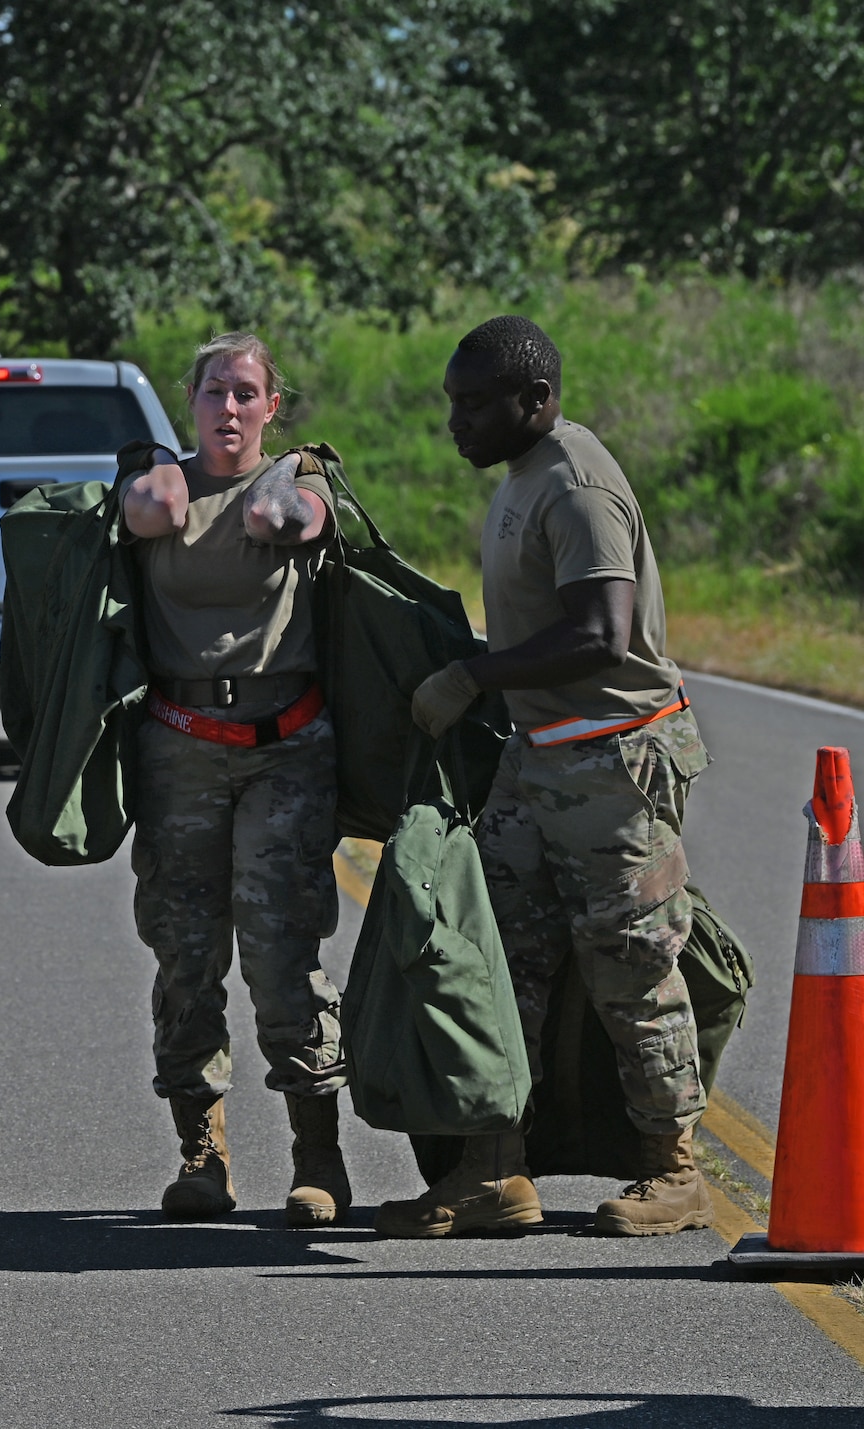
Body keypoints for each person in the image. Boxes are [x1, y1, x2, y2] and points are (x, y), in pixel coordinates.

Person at [384, 314, 712, 1239]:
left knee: (631, 968)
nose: (459, 422)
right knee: (495, 965)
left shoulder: (576, 484)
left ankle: (675, 1171)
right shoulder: (524, 475)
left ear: (536, 399)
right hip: (541, 762)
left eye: (477, 404)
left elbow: (601, 631)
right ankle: (494, 1169)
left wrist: (475, 674)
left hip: (613, 761)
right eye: (455, 402)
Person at [117, 331, 349, 1226]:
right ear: (193, 400)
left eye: (247, 394)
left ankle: (317, 1152)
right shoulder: (160, 481)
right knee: (185, 952)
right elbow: (142, 513)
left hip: (284, 745)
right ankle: (201, 1150)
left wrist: (281, 488)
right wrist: (156, 477)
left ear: (272, 406)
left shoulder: (300, 477)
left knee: (283, 951)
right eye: (216, 391)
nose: (230, 409)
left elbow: (290, 522)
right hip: (181, 743)